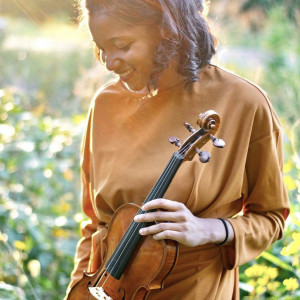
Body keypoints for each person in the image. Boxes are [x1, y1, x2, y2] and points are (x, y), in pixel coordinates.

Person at [65, 0, 289, 299]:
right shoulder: (105, 103)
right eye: (101, 47)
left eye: (121, 45)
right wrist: (79, 290)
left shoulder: (243, 103)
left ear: (166, 32)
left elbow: (271, 217)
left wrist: (208, 230)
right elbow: (95, 224)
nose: (108, 61)